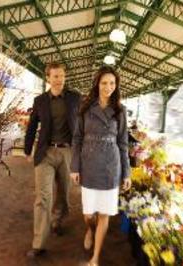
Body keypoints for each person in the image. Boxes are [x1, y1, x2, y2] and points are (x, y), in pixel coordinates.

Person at [70, 66, 131, 266]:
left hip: (110, 168)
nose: (108, 87)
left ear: (116, 85)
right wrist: (75, 167)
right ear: (97, 83)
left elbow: (123, 143)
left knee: (104, 214)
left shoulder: (120, 111)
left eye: (112, 83)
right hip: (89, 165)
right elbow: (77, 139)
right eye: (104, 83)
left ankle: (95, 259)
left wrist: (126, 173)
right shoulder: (85, 108)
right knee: (88, 213)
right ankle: (90, 228)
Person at [24, 62, 81, 258]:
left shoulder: (75, 98)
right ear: (48, 78)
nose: (59, 79)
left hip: (67, 152)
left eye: (62, 76)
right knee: (43, 197)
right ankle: (38, 243)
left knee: (64, 194)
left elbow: (83, 123)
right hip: (46, 153)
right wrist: (27, 148)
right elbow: (32, 126)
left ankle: (57, 219)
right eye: (55, 76)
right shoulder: (40, 101)